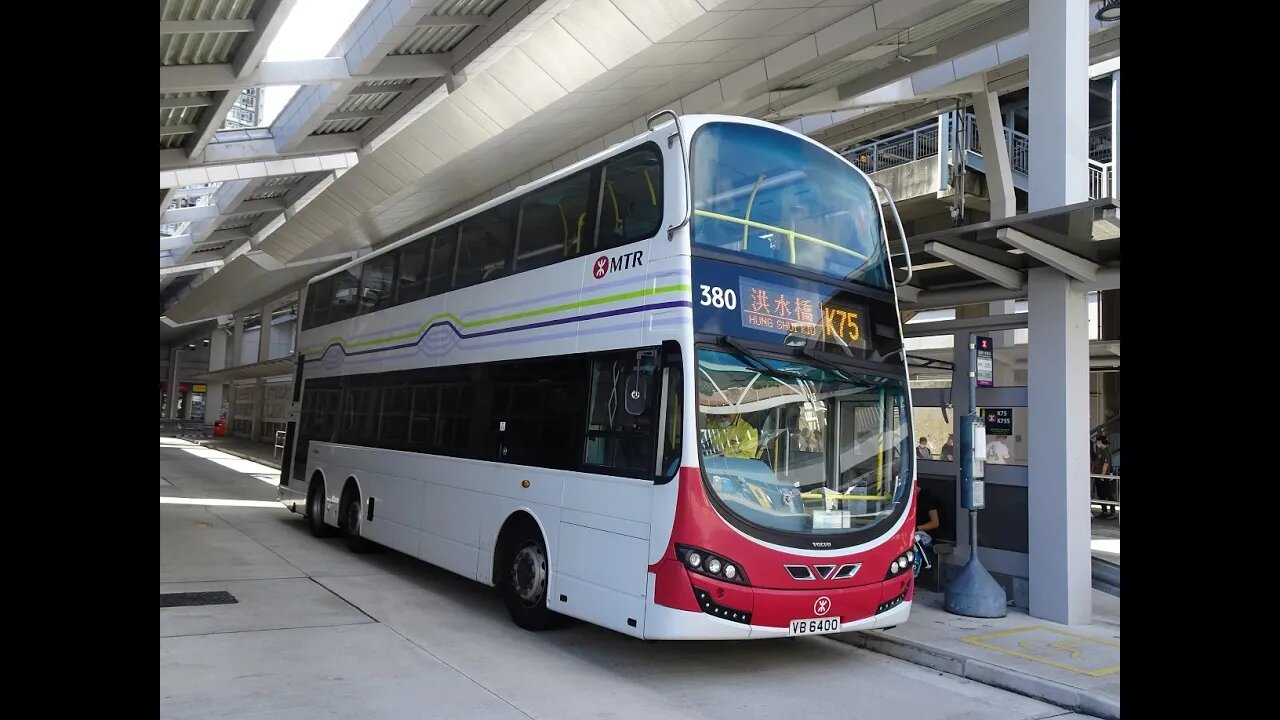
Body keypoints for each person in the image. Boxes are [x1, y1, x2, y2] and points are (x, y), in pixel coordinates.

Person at [1092, 436, 1116, 518]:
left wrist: (1102, 475)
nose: (1097, 444)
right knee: (1101, 494)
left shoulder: (1106, 452)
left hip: (1103, 477)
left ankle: (1112, 512)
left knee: (1108, 494)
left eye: (1098, 442)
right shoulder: (1101, 451)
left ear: (1101, 441)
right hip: (1098, 476)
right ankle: (1104, 511)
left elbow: (1106, 464)